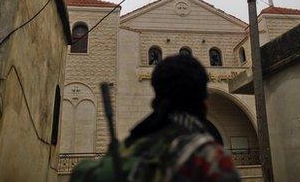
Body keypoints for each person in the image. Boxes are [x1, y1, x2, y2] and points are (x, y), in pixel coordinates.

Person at [70, 54, 240, 181]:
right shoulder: (208, 158)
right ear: (203, 101)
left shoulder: (128, 150)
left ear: (156, 98)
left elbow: (81, 172)